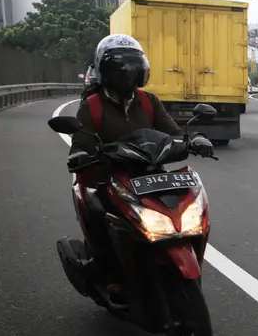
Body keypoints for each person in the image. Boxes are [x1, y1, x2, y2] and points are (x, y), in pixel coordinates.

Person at [68, 34, 214, 299]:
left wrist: (196, 140)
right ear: (105, 71)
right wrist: (80, 154)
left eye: (134, 68)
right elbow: (80, 142)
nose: (128, 74)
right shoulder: (92, 106)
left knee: (184, 210)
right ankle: (110, 273)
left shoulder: (148, 101)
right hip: (108, 176)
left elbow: (173, 133)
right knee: (100, 214)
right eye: (120, 68)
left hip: (149, 172)